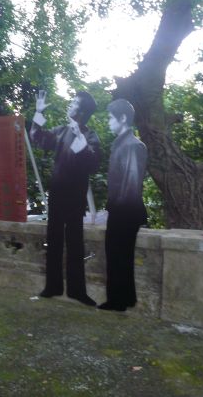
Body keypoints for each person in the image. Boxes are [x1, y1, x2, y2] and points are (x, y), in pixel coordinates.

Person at [30, 90, 101, 306]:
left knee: (74, 242)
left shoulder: (90, 136)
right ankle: (52, 286)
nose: (69, 105)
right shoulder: (61, 131)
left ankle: (77, 291)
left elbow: (92, 163)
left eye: (73, 103)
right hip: (57, 194)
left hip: (75, 196)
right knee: (53, 240)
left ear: (81, 111)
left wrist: (80, 138)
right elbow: (37, 138)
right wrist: (38, 113)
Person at [98, 99, 147, 312]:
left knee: (118, 256)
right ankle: (125, 298)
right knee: (120, 256)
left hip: (125, 212)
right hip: (122, 210)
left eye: (110, 117)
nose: (108, 121)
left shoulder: (132, 146)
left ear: (123, 118)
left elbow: (131, 184)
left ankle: (118, 301)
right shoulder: (122, 144)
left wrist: (115, 211)